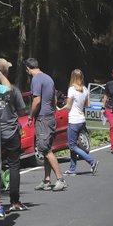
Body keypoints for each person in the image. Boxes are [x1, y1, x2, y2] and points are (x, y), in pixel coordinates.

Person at [0, 58, 27, 218]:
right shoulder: (13, 89)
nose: (10, 71)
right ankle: (14, 201)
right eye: (8, 69)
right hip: (11, 131)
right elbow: (22, 112)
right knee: (14, 166)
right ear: (4, 71)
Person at [24, 58, 67, 192]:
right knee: (46, 148)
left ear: (27, 68)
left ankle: (60, 179)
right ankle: (46, 180)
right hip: (50, 116)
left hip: (43, 118)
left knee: (45, 149)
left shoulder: (36, 79)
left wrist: (30, 116)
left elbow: (37, 100)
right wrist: (53, 111)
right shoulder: (48, 78)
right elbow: (54, 98)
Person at [60, 69, 99, 176]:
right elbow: (88, 105)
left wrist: (60, 108)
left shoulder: (71, 89)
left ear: (72, 77)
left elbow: (68, 106)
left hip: (73, 120)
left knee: (72, 146)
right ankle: (72, 169)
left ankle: (92, 161)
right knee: (74, 144)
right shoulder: (85, 90)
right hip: (82, 120)